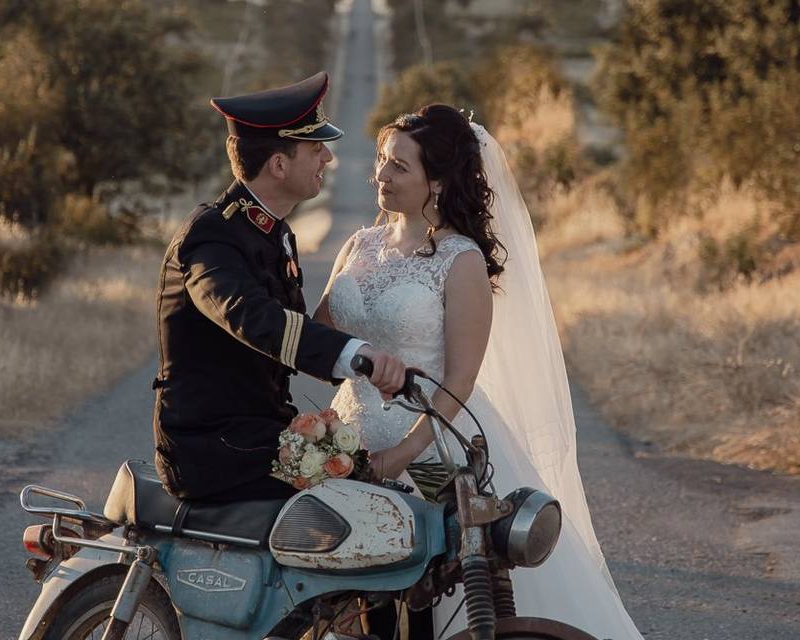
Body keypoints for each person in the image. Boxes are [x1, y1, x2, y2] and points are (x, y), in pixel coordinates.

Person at [315, 104, 645, 639]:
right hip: (349, 445)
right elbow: (322, 337)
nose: (381, 175)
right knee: (347, 596)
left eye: (399, 166)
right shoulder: (358, 245)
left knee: (428, 591)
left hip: (431, 452)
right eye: (382, 160)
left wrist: (401, 455)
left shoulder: (459, 260)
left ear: (437, 182)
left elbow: (460, 381)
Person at [152, 72, 407, 503]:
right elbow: (256, 319)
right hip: (211, 449)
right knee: (356, 506)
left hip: (257, 435)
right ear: (279, 164)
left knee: (374, 494)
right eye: (315, 148)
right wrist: (356, 355)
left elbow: (291, 337)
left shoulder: (274, 232)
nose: (327, 158)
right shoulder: (212, 236)